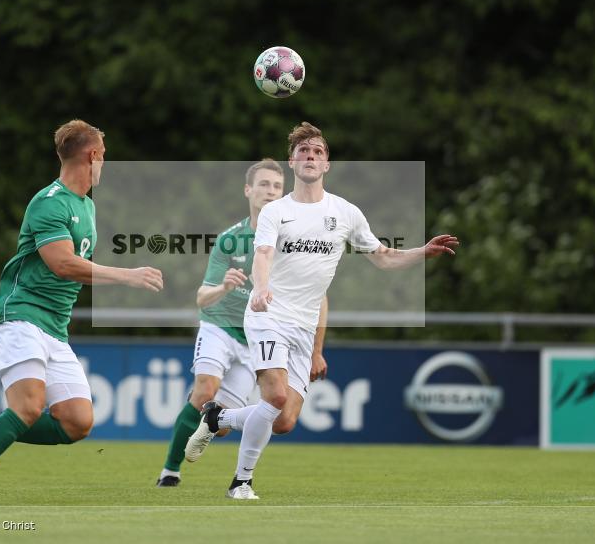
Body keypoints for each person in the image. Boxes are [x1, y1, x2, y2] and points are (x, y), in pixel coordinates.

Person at [191, 122, 459, 500]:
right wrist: (262, 287)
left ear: (327, 164)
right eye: (303, 151)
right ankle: (241, 482)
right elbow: (263, 254)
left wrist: (421, 251)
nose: (310, 157)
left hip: (303, 325)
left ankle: (218, 417)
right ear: (292, 162)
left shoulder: (345, 212)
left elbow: (382, 257)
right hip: (268, 316)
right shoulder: (276, 212)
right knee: (276, 398)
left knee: (283, 420)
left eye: (317, 152)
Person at [0, 119, 164, 504]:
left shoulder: (86, 206)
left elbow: (77, 270)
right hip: (21, 316)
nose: (104, 164)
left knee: (77, 421)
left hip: (55, 328)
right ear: (92, 155)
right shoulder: (49, 202)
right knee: (27, 408)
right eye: (103, 157)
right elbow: (63, 264)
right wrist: (126, 276)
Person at [156, 159, 329, 487]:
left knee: (221, 427)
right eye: (264, 184)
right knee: (205, 388)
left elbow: (319, 297)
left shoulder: (295, 241)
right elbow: (202, 298)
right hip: (219, 326)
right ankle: (170, 470)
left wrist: (317, 350)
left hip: (258, 338)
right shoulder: (229, 240)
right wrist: (224, 287)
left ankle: (215, 423)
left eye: (277, 186)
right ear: (248, 190)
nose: (271, 191)